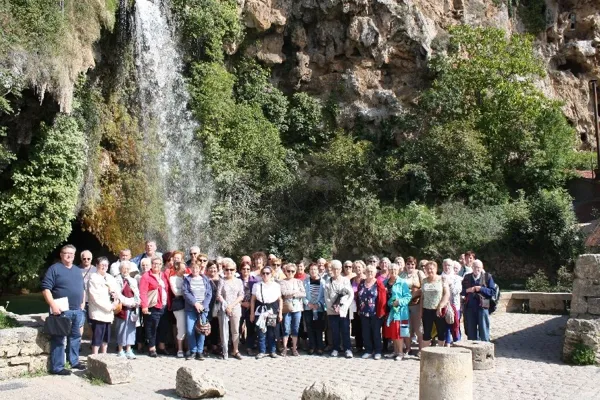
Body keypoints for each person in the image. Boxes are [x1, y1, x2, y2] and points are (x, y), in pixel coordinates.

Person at [41, 244, 86, 375]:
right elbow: (46, 289)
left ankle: (74, 361)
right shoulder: (54, 269)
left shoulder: (77, 270)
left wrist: (82, 303)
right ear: (61, 254)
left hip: (77, 310)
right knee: (59, 339)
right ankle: (57, 367)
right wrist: (53, 305)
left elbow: (82, 288)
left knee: (76, 337)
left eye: (72, 254)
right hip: (61, 310)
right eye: (66, 253)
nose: (69, 256)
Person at [139, 256, 169, 358]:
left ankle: (161, 346)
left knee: (163, 327)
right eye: (154, 263)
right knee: (152, 327)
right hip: (153, 306)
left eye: (158, 264)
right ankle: (152, 348)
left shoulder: (163, 275)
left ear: (161, 265)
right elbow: (143, 292)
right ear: (151, 264)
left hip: (163, 305)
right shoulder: (146, 276)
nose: (156, 265)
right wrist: (144, 306)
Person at [87, 257, 119, 355]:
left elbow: (116, 291)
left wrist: (116, 301)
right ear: (97, 265)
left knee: (106, 336)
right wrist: (110, 306)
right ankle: (94, 356)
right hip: (98, 312)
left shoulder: (110, 277)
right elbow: (95, 298)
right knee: (97, 336)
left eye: (106, 265)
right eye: (102, 265)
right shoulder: (93, 278)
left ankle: (104, 355)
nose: (104, 267)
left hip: (109, 313)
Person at [250, 266, 283, 359]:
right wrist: (252, 313)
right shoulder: (256, 285)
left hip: (272, 310)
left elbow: (280, 300)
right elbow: (253, 300)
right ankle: (262, 351)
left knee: (271, 332)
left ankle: (272, 351)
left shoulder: (276, 286)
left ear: (271, 274)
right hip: (260, 311)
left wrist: (280, 313)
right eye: (263, 273)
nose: (265, 275)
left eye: (267, 273)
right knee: (261, 331)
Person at [183, 260, 213, 360]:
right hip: (191, 308)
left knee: (202, 329)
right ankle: (193, 350)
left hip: (203, 309)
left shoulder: (205, 279)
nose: (195, 270)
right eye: (193, 268)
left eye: (197, 268)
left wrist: (203, 305)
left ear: (200, 269)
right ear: (190, 269)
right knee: (190, 330)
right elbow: (186, 292)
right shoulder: (187, 279)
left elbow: (209, 293)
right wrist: (195, 303)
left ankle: (200, 351)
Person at [324, 260, 353, 358]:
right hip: (332, 311)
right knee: (334, 330)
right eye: (334, 269)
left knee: (345, 329)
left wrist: (343, 306)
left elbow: (350, 295)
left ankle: (347, 349)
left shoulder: (346, 280)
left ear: (340, 269)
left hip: (343, 310)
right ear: (331, 269)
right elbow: (326, 297)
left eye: (338, 269)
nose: (336, 271)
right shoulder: (328, 281)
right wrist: (332, 307)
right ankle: (335, 348)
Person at [216, 258, 244, 360]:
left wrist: (231, 306)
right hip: (224, 307)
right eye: (227, 269)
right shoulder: (222, 281)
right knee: (223, 330)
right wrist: (226, 305)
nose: (229, 271)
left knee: (235, 330)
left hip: (235, 307)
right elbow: (218, 295)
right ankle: (225, 351)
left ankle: (235, 350)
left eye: (231, 269)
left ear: (235, 270)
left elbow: (241, 295)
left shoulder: (239, 281)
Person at [357, 263, 386, 360]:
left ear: (375, 273)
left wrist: (381, 312)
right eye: (368, 271)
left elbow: (382, 299)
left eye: (372, 272)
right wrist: (358, 308)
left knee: (376, 332)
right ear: (365, 272)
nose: (369, 273)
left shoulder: (378, 283)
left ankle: (378, 351)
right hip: (363, 312)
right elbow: (358, 296)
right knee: (366, 332)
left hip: (375, 312)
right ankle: (368, 350)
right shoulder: (362, 283)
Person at [383, 263, 412, 360]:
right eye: (391, 269)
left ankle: (400, 352)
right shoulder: (385, 282)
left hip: (399, 312)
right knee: (392, 332)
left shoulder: (402, 282)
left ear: (398, 270)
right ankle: (395, 351)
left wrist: (399, 302)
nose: (393, 271)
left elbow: (408, 297)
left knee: (398, 333)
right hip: (388, 311)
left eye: (395, 269)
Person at [462, 260, 495, 342]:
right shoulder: (467, 277)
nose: (477, 269)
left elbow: (492, 292)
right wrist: (468, 290)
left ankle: (485, 348)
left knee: (484, 330)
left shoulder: (488, 277)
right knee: (471, 331)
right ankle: (472, 349)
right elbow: (461, 291)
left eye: (479, 267)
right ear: (472, 268)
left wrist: (481, 289)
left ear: (482, 268)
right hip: (470, 307)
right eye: (475, 267)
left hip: (483, 307)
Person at [114, 261, 140, 359]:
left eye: (127, 269)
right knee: (121, 329)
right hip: (122, 308)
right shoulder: (116, 280)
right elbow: (118, 294)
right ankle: (120, 349)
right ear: (120, 269)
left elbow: (137, 293)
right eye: (124, 268)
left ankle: (129, 349)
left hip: (132, 308)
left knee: (131, 329)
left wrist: (136, 302)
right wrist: (129, 302)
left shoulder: (132, 280)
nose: (126, 270)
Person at [421, 261, 450, 348]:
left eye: (432, 268)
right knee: (426, 332)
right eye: (428, 269)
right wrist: (420, 312)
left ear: (436, 269)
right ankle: (425, 352)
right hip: (426, 309)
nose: (430, 270)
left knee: (441, 331)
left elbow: (447, 294)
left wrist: (440, 306)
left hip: (439, 310)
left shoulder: (442, 279)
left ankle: (440, 351)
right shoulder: (424, 281)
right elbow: (422, 297)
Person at [279, 263, 306, 356]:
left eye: (292, 271)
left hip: (297, 308)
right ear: (285, 271)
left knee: (295, 328)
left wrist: (293, 294)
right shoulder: (282, 282)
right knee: (286, 329)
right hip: (287, 308)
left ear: (295, 272)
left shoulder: (299, 282)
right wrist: (295, 292)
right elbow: (284, 293)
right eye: (288, 271)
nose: (290, 272)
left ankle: (294, 348)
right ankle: (285, 348)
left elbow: (303, 293)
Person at [400, 256, 425, 353]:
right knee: (406, 327)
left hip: (416, 304)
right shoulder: (401, 274)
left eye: (412, 264)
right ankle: (408, 348)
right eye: (408, 264)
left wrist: (414, 293)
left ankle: (421, 349)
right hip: (404, 305)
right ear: (405, 264)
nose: (410, 266)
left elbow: (424, 286)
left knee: (418, 328)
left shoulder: (419, 273)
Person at [303, 263, 326, 355]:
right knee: (309, 327)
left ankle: (320, 346)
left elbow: (325, 295)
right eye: (311, 269)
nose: (313, 271)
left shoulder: (323, 282)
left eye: (315, 269)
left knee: (318, 327)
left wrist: (319, 304)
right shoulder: (305, 282)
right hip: (308, 308)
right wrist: (308, 304)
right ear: (309, 271)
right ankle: (312, 346)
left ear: (318, 271)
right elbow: (302, 294)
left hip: (319, 308)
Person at [239, 256, 259, 355]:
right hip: (239, 306)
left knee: (250, 328)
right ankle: (235, 347)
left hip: (251, 307)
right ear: (240, 270)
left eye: (247, 269)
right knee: (237, 327)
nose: (246, 270)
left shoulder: (254, 281)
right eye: (244, 269)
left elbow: (255, 295)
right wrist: (242, 303)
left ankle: (249, 347)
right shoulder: (237, 280)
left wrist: (250, 304)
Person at [169, 261, 188, 358]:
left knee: (189, 327)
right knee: (181, 327)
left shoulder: (187, 277)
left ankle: (187, 348)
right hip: (179, 305)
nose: (185, 269)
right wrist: (186, 292)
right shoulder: (173, 278)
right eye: (182, 268)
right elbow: (176, 292)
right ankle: (180, 349)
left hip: (188, 304)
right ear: (177, 269)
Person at [442, 259, 462, 345]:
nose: (447, 267)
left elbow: (456, 290)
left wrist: (448, 284)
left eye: (449, 265)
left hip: (454, 305)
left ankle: (457, 341)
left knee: (455, 324)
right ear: (443, 266)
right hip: (444, 305)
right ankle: (447, 342)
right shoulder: (439, 277)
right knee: (445, 326)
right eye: (445, 265)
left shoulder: (457, 278)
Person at [135, 257, 151, 353]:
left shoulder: (153, 276)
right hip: (140, 303)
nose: (145, 267)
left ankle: (150, 344)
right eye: (143, 265)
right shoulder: (138, 277)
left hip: (151, 303)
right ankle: (140, 345)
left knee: (149, 324)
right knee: (139, 325)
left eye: (147, 265)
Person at [206, 261, 222, 356]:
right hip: (207, 305)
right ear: (207, 270)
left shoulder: (221, 279)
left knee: (216, 325)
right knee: (207, 324)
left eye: (214, 268)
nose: (213, 270)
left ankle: (214, 345)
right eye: (211, 268)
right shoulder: (205, 279)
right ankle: (205, 346)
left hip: (217, 305)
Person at [350, 260, 366, 353]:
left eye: (359, 267)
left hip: (365, 307)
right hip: (354, 307)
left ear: (363, 268)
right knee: (356, 326)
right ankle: (359, 345)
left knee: (366, 326)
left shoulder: (367, 279)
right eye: (355, 267)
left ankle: (367, 345)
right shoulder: (352, 280)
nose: (357, 269)